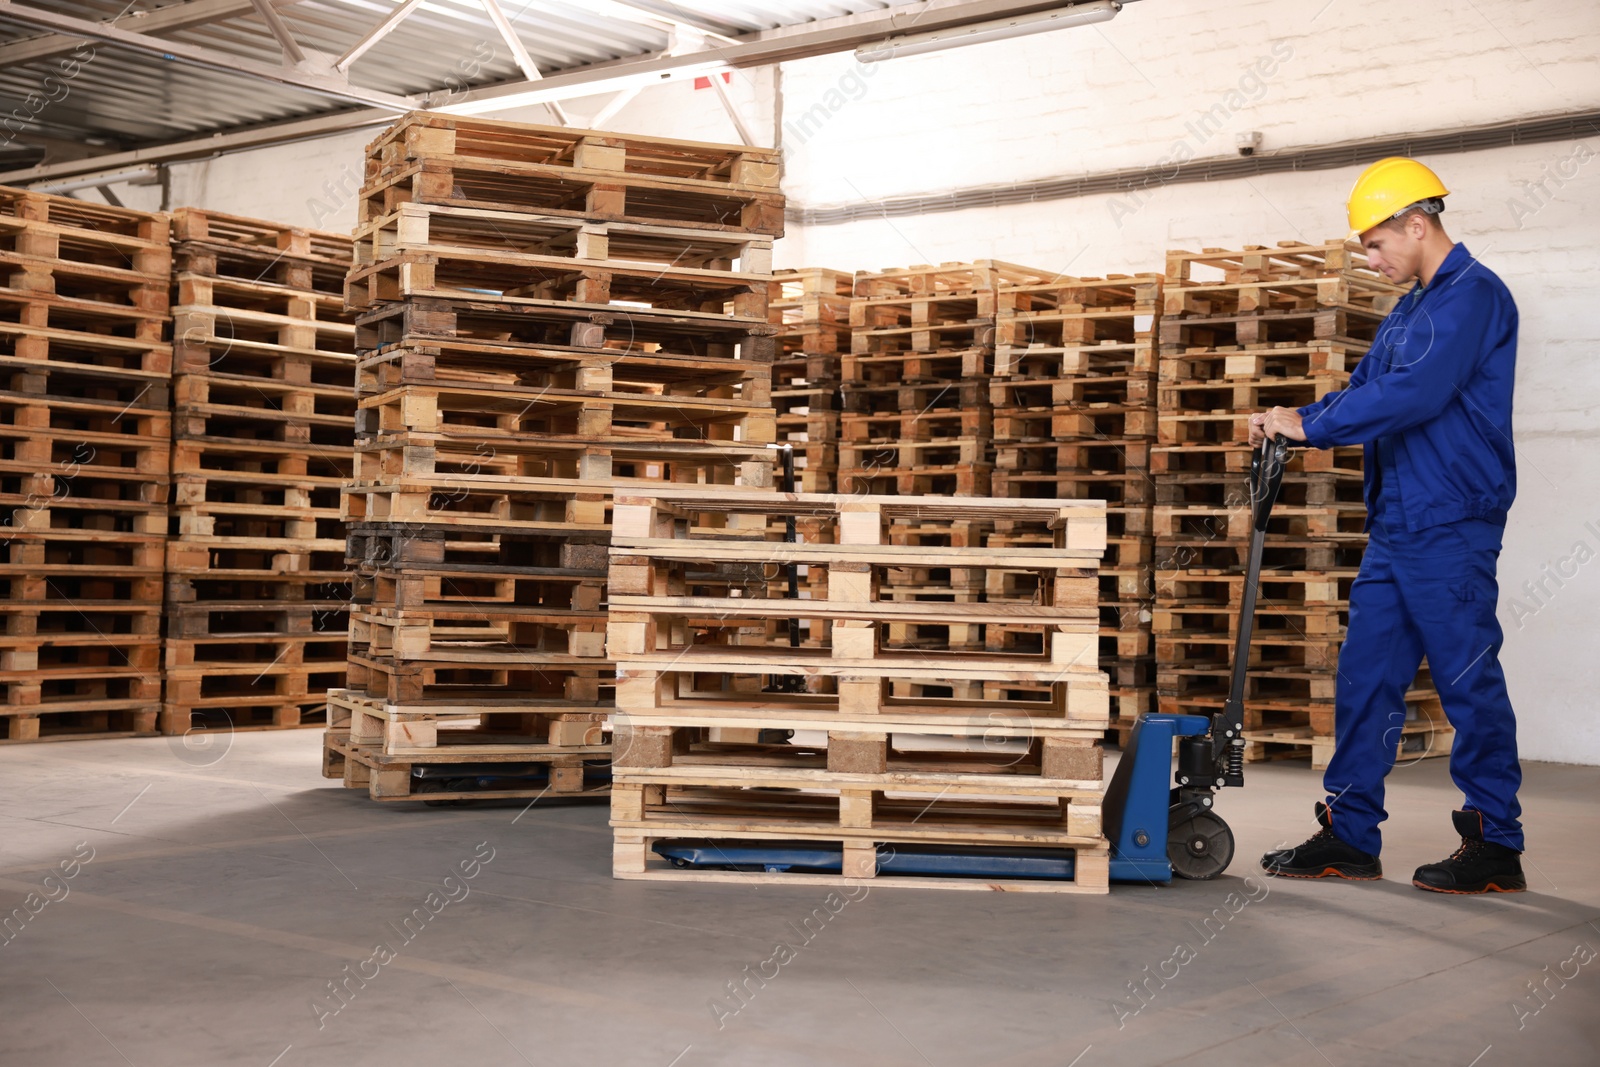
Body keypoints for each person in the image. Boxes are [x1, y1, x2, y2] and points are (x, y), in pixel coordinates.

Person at [1249, 157, 1526, 894]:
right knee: (1366, 677)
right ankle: (1349, 834)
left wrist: (1307, 426)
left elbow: (1414, 394)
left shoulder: (1475, 297)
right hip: (1399, 521)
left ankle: (1496, 842)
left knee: (1468, 681)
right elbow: (1369, 387)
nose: (1373, 260)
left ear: (1417, 222)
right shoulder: (1410, 308)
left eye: (1376, 243)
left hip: (1452, 518)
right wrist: (1295, 417)